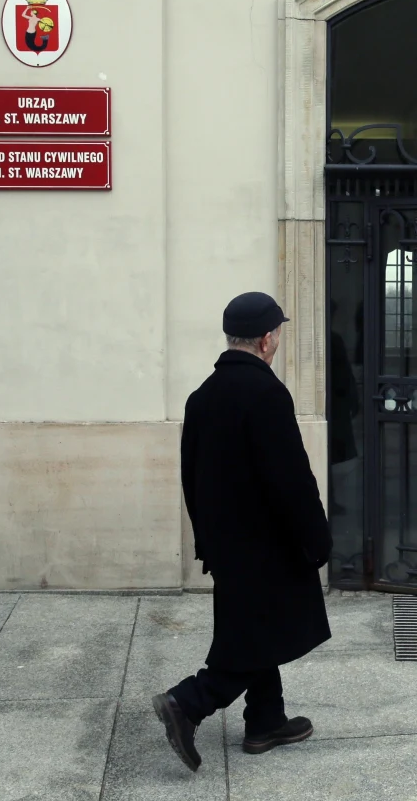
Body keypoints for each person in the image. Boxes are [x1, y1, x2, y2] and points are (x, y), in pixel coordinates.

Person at [152, 291, 333, 772]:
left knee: (255, 626)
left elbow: (191, 478)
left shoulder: (202, 396)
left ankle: (266, 720)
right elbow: (291, 479)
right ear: (268, 339)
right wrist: (317, 539)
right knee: (255, 636)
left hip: (228, 545)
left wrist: (207, 541)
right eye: (279, 333)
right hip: (269, 545)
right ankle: (189, 701)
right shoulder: (267, 394)